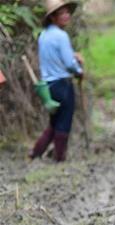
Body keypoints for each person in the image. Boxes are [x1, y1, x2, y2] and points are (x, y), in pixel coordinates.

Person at [29, 0, 83, 162]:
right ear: (52, 17)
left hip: (49, 86)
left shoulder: (43, 35)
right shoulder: (61, 36)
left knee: (54, 122)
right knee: (64, 121)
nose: (67, 16)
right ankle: (59, 158)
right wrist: (79, 70)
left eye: (67, 12)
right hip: (63, 84)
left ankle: (35, 153)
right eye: (62, 13)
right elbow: (68, 63)